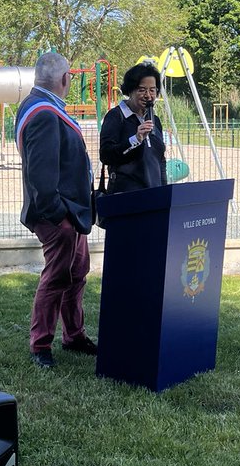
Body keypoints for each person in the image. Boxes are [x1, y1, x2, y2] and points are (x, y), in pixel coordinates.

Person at [14, 51, 96, 368]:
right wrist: (60, 216)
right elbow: (41, 175)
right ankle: (41, 345)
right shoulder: (44, 113)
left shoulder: (37, 105)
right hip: (60, 216)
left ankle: (74, 335)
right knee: (57, 278)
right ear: (65, 79)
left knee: (76, 274)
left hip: (72, 212)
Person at [99, 61, 167, 194]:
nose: (148, 95)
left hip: (155, 197)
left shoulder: (155, 120)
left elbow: (160, 161)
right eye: (142, 90)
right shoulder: (116, 116)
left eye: (152, 90)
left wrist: (165, 191)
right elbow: (106, 155)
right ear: (130, 90)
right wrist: (134, 139)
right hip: (126, 198)